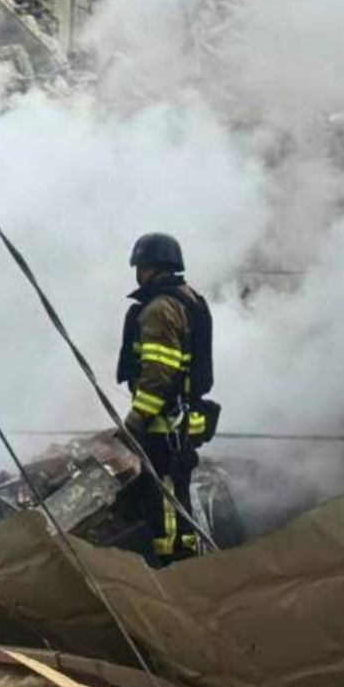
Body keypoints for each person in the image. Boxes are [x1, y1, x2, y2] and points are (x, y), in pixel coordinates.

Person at [116, 232, 217, 563]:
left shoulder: (160, 309)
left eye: (141, 267)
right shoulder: (189, 299)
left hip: (165, 424)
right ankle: (183, 558)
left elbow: (159, 375)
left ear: (153, 268)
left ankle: (174, 564)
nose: (138, 274)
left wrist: (134, 422)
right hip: (183, 418)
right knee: (175, 493)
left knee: (165, 500)